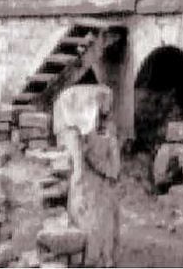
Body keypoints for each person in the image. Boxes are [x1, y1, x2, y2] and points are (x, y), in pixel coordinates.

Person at [53, 83, 123, 268]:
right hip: (90, 187)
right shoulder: (78, 135)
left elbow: (112, 163)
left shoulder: (106, 131)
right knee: (89, 224)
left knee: (102, 225)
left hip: (102, 187)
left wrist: (106, 170)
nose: (105, 110)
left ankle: (104, 259)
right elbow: (83, 165)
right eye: (102, 105)